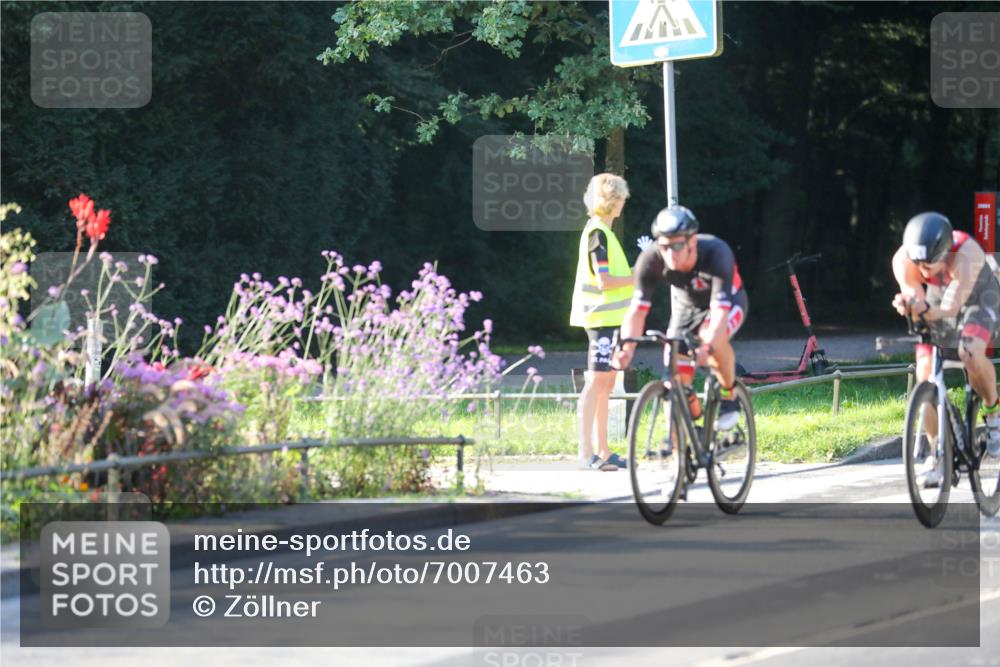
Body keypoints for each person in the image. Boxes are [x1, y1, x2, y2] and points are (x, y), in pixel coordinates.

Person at [614, 205, 748, 432]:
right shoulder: (651, 259)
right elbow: (636, 311)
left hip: (728, 302)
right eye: (664, 246)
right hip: (687, 308)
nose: (670, 253)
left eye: (677, 245)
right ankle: (680, 454)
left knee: (711, 338)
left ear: (692, 242)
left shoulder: (716, 252)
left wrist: (707, 348)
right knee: (673, 379)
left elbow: (719, 313)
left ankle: (728, 394)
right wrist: (626, 348)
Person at [891, 211, 1000, 485]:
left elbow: (951, 308)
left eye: (930, 263)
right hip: (938, 298)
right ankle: (938, 452)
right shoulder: (903, 260)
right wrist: (909, 306)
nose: (925, 270)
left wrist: (926, 308)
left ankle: (994, 412)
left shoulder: (967, 254)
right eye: (920, 265)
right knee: (924, 375)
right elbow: (917, 299)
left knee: (969, 351)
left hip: (979, 297)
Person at [570, 173, 635, 470]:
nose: (624, 203)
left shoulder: (602, 233)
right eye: (621, 198)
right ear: (612, 201)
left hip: (609, 318)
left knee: (606, 383)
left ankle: (604, 451)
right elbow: (606, 281)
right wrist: (636, 276)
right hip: (600, 318)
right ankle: (586, 454)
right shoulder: (598, 234)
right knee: (597, 382)